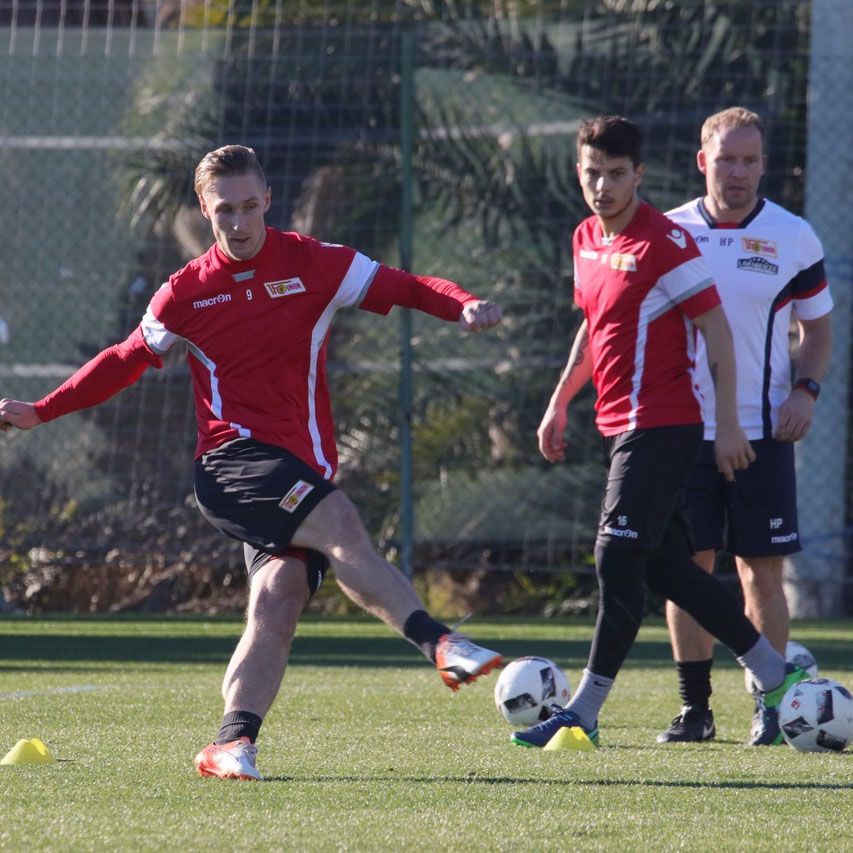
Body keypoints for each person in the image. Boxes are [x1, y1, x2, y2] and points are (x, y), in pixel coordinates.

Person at [0, 145, 504, 781]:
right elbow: (125, 358)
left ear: (267, 201)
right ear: (204, 211)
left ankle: (231, 744)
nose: (237, 223)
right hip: (231, 463)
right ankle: (441, 643)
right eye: (222, 212)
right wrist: (41, 410)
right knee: (342, 523)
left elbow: (406, 287)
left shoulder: (317, 264)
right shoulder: (185, 293)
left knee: (279, 594)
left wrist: (461, 303)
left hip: (302, 467)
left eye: (246, 207)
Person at [509, 115, 809, 750]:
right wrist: (559, 401)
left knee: (615, 557)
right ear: (579, 173)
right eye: (593, 172)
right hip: (620, 426)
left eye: (617, 174)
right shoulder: (585, 237)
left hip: (665, 425)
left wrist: (728, 423)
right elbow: (593, 328)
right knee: (671, 569)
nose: (603, 186)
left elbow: (718, 331)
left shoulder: (665, 243)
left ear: (638, 176)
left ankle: (583, 711)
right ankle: (776, 675)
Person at [657, 107, 833, 746]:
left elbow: (817, 331)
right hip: (679, 432)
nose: (738, 172)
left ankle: (770, 704)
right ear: (702, 161)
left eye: (750, 160)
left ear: (764, 164)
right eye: (726, 159)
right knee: (689, 568)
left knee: (762, 572)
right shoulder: (667, 233)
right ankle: (694, 710)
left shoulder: (792, 236)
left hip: (764, 434)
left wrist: (806, 393)